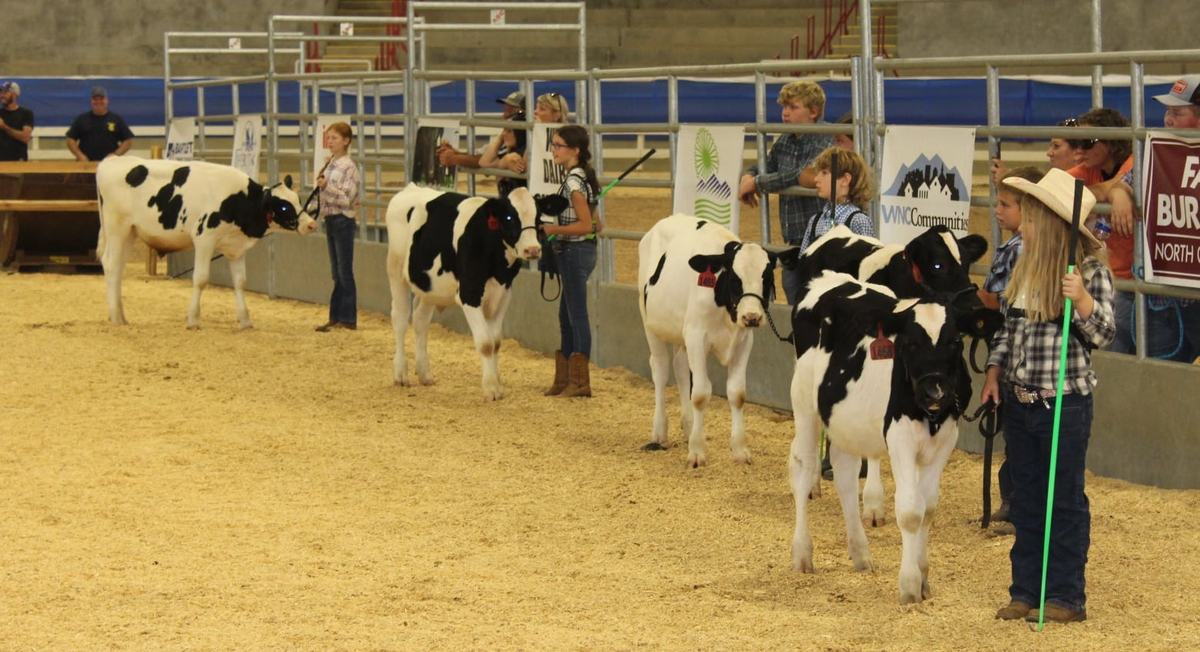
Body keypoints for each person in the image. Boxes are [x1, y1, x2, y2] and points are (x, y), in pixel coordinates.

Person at [984, 168, 1115, 625]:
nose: (1025, 225)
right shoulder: (1023, 266)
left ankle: (1064, 596)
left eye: (1035, 218)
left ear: (1057, 225)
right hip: (1021, 402)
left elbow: (1103, 334)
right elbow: (1009, 329)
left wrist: (1081, 301)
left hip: (1064, 402)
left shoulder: (1090, 273)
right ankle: (1025, 591)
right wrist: (994, 370)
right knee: (1026, 499)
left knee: (1064, 500)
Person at [1098, 76, 1200, 362]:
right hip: (1163, 297)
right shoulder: (1155, 151)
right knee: (1162, 372)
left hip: (1176, 290)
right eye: (1168, 112)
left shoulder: (1156, 151)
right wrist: (1119, 195)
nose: (1168, 119)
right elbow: (1123, 184)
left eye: (1178, 113)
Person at [975, 165, 1042, 531]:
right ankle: (1014, 502)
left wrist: (974, 298)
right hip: (1008, 344)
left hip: (1015, 346)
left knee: (1017, 432)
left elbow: (999, 301)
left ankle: (1016, 504)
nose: (997, 210)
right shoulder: (1014, 244)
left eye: (1005, 204)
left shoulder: (1020, 247)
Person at [738, 80, 835, 304]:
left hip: (820, 238)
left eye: (793, 107)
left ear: (814, 111)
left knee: (819, 298)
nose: (785, 113)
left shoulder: (826, 137)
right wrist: (749, 176)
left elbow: (805, 175)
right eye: (784, 107)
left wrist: (758, 182)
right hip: (792, 239)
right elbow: (766, 166)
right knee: (793, 293)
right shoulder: (784, 141)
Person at [540, 125, 599, 398]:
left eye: (559, 145)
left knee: (576, 315)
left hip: (574, 252)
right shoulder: (580, 179)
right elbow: (598, 224)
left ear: (574, 150)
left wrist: (554, 230)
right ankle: (565, 378)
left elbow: (586, 225)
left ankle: (580, 381)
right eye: (553, 145)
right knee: (566, 316)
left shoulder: (575, 183)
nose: (554, 150)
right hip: (576, 253)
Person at [314, 122, 361, 332]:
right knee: (336, 272)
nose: (330, 142)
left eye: (334, 138)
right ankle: (336, 316)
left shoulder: (349, 167)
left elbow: (347, 199)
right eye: (329, 138)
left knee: (344, 271)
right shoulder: (330, 163)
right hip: (331, 219)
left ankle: (348, 318)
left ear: (346, 141)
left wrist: (327, 186)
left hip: (343, 220)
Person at [480, 92, 571, 196]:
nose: (535, 112)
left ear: (556, 115)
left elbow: (526, 166)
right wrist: (504, 159)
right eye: (535, 108)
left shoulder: (570, 139)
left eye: (542, 109)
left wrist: (537, 131)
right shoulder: (524, 140)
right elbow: (484, 162)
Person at [797, 146, 875, 253]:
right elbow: (804, 261)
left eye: (824, 173)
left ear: (845, 180)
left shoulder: (858, 221)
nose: (816, 179)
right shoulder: (815, 221)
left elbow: (867, 263)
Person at [436, 90, 524, 169]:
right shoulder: (506, 136)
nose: (504, 115)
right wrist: (455, 153)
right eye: (506, 109)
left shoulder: (518, 138)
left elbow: (483, 160)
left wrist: (454, 158)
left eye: (510, 110)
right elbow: (483, 155)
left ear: (522, 114)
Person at [989, 118, 1080, 185]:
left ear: (1077, 151)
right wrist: (1008, 177)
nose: (1048, 153)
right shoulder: (1056, 181)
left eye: (1056, 146)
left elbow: (1043, 195)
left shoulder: (1086, 185)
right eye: (1050, 146)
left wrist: (1007, 179)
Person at [66, 86, 134, 161]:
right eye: (95, 99)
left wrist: (115, 155)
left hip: (109, 165)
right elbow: (70, 140)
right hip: (86, 165)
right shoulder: (81, 119)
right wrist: (80, 156)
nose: (98, 102)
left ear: (107, 100)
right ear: (91, 101)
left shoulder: (116, 119)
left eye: (101, 99)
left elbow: (128, 141)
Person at [0, 82, 34, 161]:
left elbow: (25, 137)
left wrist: (4, 127)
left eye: (5, 92)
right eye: (0, 92)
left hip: (17, 162)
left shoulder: (26, 113)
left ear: (15, 94)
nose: (1, 95)